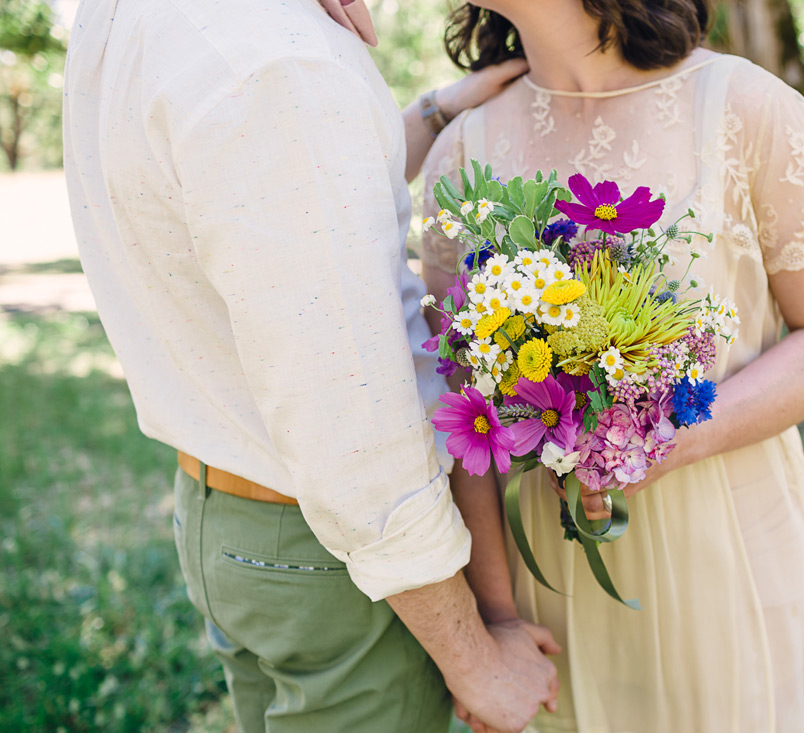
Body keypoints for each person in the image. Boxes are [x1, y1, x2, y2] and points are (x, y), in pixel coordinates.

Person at [62, 1, 557, 731]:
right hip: (329, 553)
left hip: (221, 512)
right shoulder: (275, 60)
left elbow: (289, 199)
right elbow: (352, 430)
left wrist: (433, 111)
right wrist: (474, 656)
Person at [404, 0, 804, 730]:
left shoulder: (747, 109)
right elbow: (463, 413)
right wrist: (498, 617)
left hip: (728, 551)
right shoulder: (462, 152)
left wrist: (676, 439)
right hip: (549, 579)